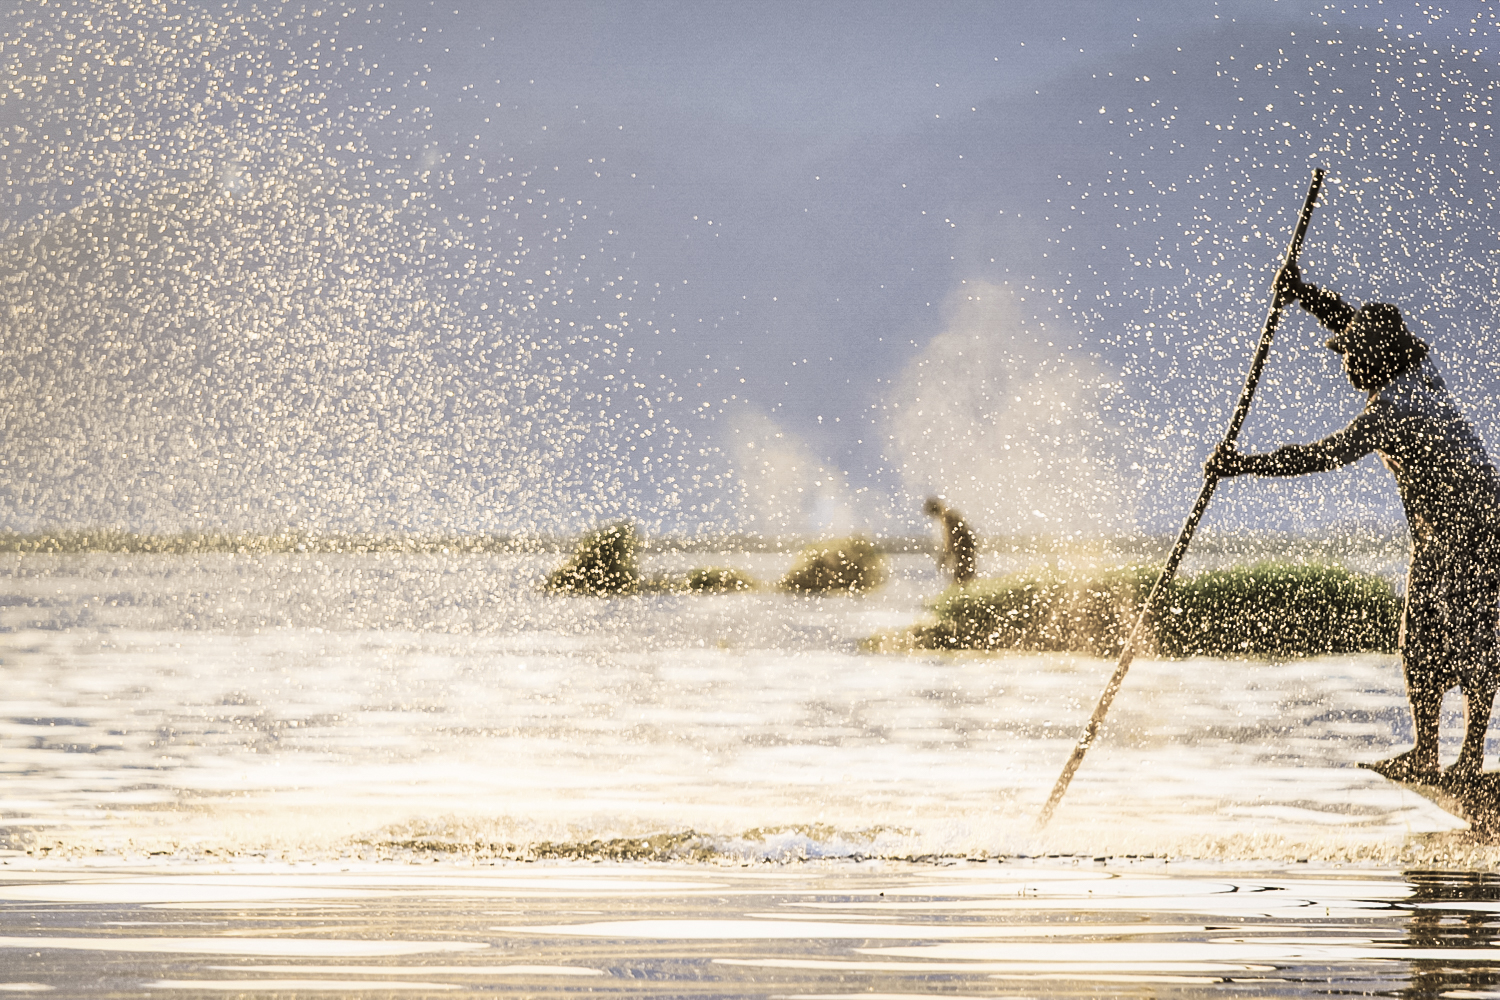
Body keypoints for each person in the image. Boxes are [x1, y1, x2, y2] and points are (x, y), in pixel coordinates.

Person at [1207, 264, 1500, 780]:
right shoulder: (1421, 373)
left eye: (1350, 355)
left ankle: (1435, 755)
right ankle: (1465, 758)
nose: (1344, 365)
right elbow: (1353, 321)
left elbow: (1322, 456)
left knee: (1428, 637)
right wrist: (1303, 295)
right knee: (1474, 637)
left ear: (1374, 359)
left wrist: (1242, 464)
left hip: (1464, 528)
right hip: (1489, 516)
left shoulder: (1389, 410)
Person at [923, 496, 978, 585]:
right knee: (966, 577)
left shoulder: (947, 517)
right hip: (966, 548)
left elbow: (951, 539)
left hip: (963, 549)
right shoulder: (950, 514)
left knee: (962, 578)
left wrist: (945, 556)